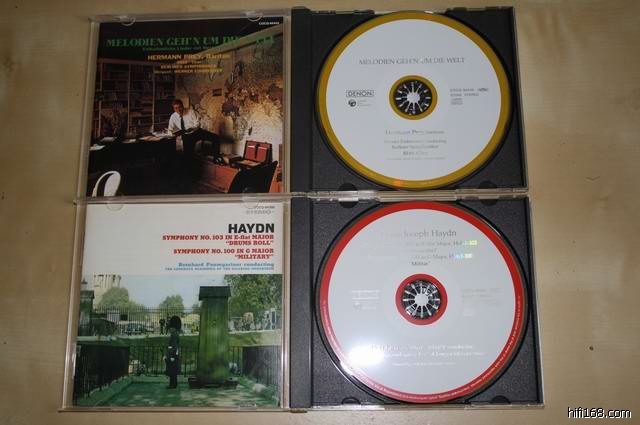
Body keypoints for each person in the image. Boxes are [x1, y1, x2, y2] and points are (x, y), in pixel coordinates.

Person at [168, 99, 223, 165]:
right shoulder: (173, 116)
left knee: (216, 138)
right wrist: (171, 134)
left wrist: (192, 128)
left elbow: (197, 123)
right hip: (186, 136)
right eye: (176, 108)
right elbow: (170, 129)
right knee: (188, 156)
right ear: (174, 109)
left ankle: (216, 158)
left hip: (197, 132)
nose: (178, 110)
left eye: (179, 107)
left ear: (182, 106)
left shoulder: (191, 112)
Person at [164, 315, 182, 389]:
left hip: (173, 355)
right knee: (173, 371)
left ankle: (172, 385)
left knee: (172, 371)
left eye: (170, 328)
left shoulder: (174, 335)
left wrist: (169, 355)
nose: (169, 329)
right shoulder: (175, 334)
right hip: (174, 354)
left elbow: (173, 346)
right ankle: (174, 384)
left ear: (173, 328)